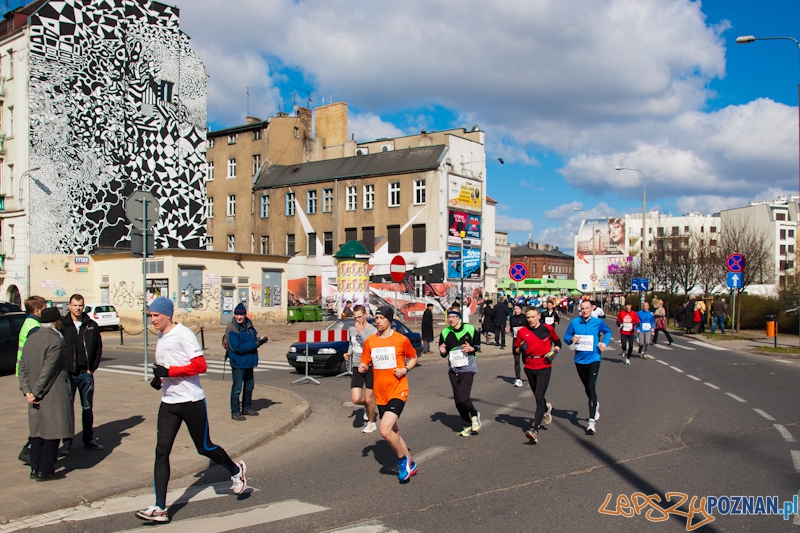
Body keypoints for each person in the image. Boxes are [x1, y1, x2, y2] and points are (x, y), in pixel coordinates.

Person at [137, 297, 246, 523]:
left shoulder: (183, 334)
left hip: (191, 401)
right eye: (151, 316)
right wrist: (160, 378)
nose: (153, 319)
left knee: (204, 447)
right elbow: (167, 365)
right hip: (169, 403)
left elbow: (200, 365)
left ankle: (235, 470)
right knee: (161, 452)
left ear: (168, 314)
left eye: (156, 315)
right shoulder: (161, 335)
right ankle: (160, 508)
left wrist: (169, 372)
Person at [358, 306, 418, 483]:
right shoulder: (370, 342)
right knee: (394, 432)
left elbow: (413, 357)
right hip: (381, 393)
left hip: (398, 390)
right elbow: (364, 363)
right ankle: (411, 463)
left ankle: (402, 461)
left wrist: (405, 368)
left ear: (389, 320)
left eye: (381, 318)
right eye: (375, 318)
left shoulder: (401, 340)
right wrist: (363, 367)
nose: (377, 321)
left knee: (384, 430)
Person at [18, 307, 73, 481]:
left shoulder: (31, 338)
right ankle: (45, 470)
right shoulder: (55, 341)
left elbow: (22, 366)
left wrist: (27, 390)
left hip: (33, 394)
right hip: (51, 393)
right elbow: (48, 371)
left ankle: (35, 468)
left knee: (36, 432)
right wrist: (35, 392)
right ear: (56, 322)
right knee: (52, 432)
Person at [59, 293, 103, 455]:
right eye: (75, 305)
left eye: (80, 305)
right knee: (67, 408)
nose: (77, 308)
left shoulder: (91, 324)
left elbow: (98, 347)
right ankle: (67, 441)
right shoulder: (63, 325)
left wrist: (93, 367)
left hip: (86, 373)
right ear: (69, 306)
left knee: (87, 407)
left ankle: (88, 438)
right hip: (68, 374)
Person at [564, 300, 612, 435]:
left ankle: (591, 422)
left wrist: (604, 343)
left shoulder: (598, 322)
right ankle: (595, 403)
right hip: (579, 360)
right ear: (580, 309)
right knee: (587, 387)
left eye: (587, 308)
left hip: (594, 358)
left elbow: (607, 332)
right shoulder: (574, 322)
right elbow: (566, 337)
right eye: (582, 308)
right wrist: (571, 339)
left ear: (592, 308)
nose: (585, 310)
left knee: (591, 386)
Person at [514, 307, 561, 444]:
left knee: (539, 397)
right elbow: (516, 350)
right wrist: (520, 349)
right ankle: (546, 408)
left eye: (533, 317)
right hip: (529, 366)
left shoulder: (548, 329)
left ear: (539, 316)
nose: (530, 320)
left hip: (544, 365)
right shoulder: (523, 331)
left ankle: (535, 430)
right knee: (537, 396)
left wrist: (555, 351)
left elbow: (558, 343)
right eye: (528, 317)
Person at [439, 308, 481, 436]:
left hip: (468, 367)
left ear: (459, 318)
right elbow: (443, 352)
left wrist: (471, 348)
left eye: (453, 317)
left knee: (463, 397)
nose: (451, 319)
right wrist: (442, 351)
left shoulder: (470, 329)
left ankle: (474, 414)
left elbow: (478, 346)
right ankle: (466, 424)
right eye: (449, 317)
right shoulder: (445, 332)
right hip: (453, 369)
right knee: (458, 400)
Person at [17, 295, 47, 466]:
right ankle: (30, 449)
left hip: (27, 374)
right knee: (37, 416)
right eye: (44, 308)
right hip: (30, 376)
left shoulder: (29, 322)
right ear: (37, 310)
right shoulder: (34, 326)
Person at [225, 303, 269, 421]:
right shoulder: (231, 329)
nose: (239, 317)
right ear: (234, 315)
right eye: (237, 314)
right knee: (237, 388)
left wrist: (260, 339)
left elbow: (253, 338)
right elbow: (238, 347)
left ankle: (247, 408)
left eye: (241, 314)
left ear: (245, 315)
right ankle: (235, 411)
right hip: (238, 363)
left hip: (249, 361)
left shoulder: (249, 325)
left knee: (249, 387)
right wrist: (256, 344)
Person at [344, 305, 379, 433]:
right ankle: (367, 406)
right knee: (356, 399)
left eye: (359, 316)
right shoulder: (352, 329)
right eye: (355, 317)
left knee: (369, 398)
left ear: (365, 315)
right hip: (357, 366)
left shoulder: (373, 330)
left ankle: (371, 422)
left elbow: (372, 346)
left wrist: (361, 332)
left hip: (370, 366)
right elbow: (351, 343)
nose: (357, 320)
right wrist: (348, 353)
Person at [506, 304, 527, 387]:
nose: (516, 310)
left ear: (521, 309)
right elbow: (512, 329)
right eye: (514, 309)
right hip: (516, 340)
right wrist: (509, 330)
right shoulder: (512, 318)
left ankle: (531, 375)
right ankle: (518, 379)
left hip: (525, 341)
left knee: (526, 360)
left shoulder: (525, 317)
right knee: (517, 361)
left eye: (517, 308)